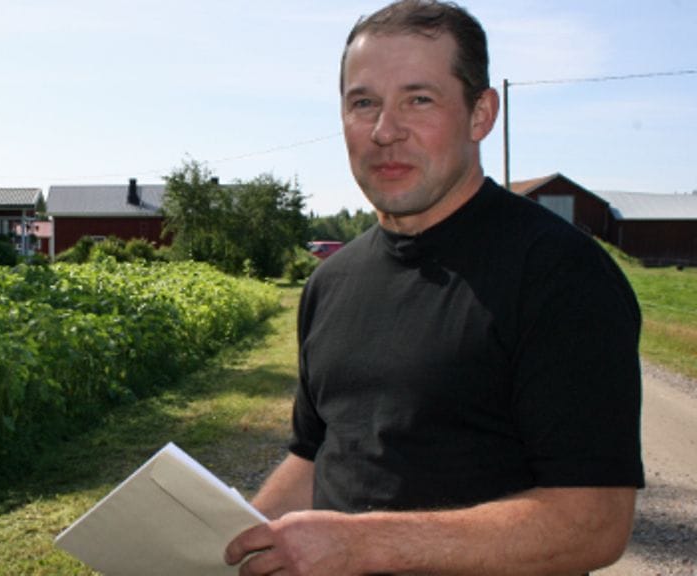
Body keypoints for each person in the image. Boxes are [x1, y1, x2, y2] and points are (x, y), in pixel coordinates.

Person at [224, 1, 644, 574]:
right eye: (363, 103)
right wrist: (233, 548)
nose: (384, 131)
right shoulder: (331, 282)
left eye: (419, 99)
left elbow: (592, 523)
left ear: (480, 113)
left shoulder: (560, 274)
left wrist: (362, 545)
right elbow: (315, 455)